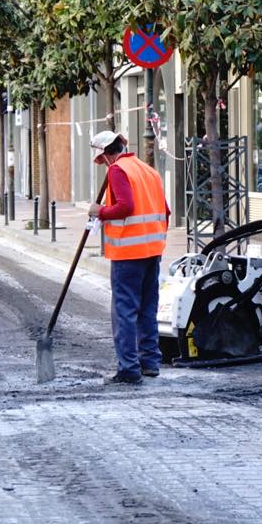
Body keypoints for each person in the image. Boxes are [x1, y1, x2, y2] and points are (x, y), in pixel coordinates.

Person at [87, 131, 169, 385]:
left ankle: (129, 369)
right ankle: (150, 363)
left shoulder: (118, 170)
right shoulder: (147, 170)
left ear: (104, 155)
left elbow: (125, 207)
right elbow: (165, 210)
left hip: (127, 253)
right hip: (152, 251)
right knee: (147, 308)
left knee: (124, 311)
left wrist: (99, 211)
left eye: (101, 160)